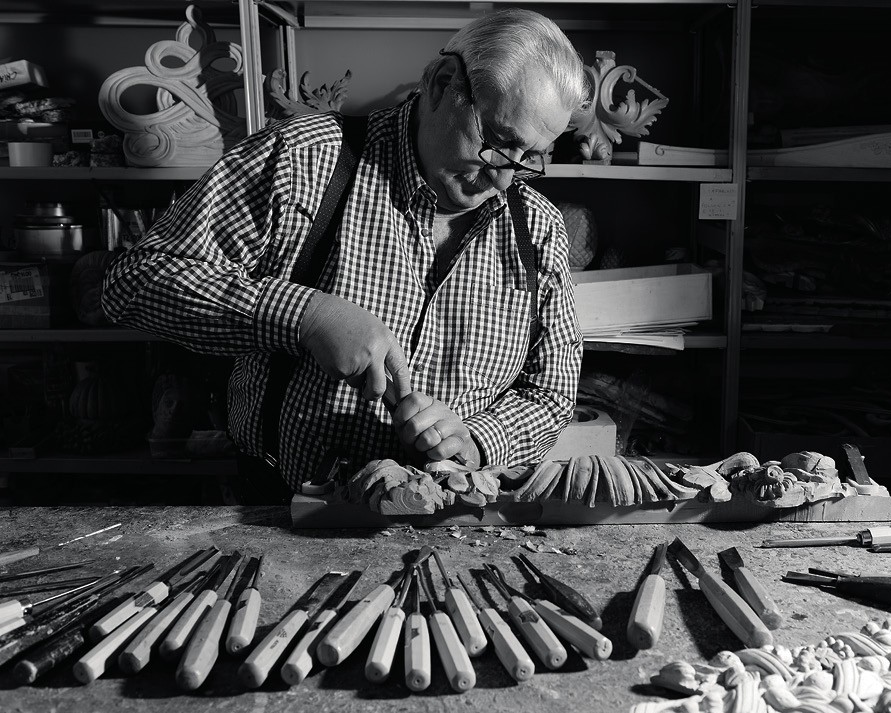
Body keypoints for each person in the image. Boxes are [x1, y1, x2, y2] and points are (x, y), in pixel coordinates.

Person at [101, 8, 588, 503]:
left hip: (450, 519)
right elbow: (135, 282)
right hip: (280, 510)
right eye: (499, 142)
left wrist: (477, 439)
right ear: (444, 84)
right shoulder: (302, 159)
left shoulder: (538, 228)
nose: (504, 178)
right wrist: (303, 316)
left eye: (530, 158)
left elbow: (551, 393)